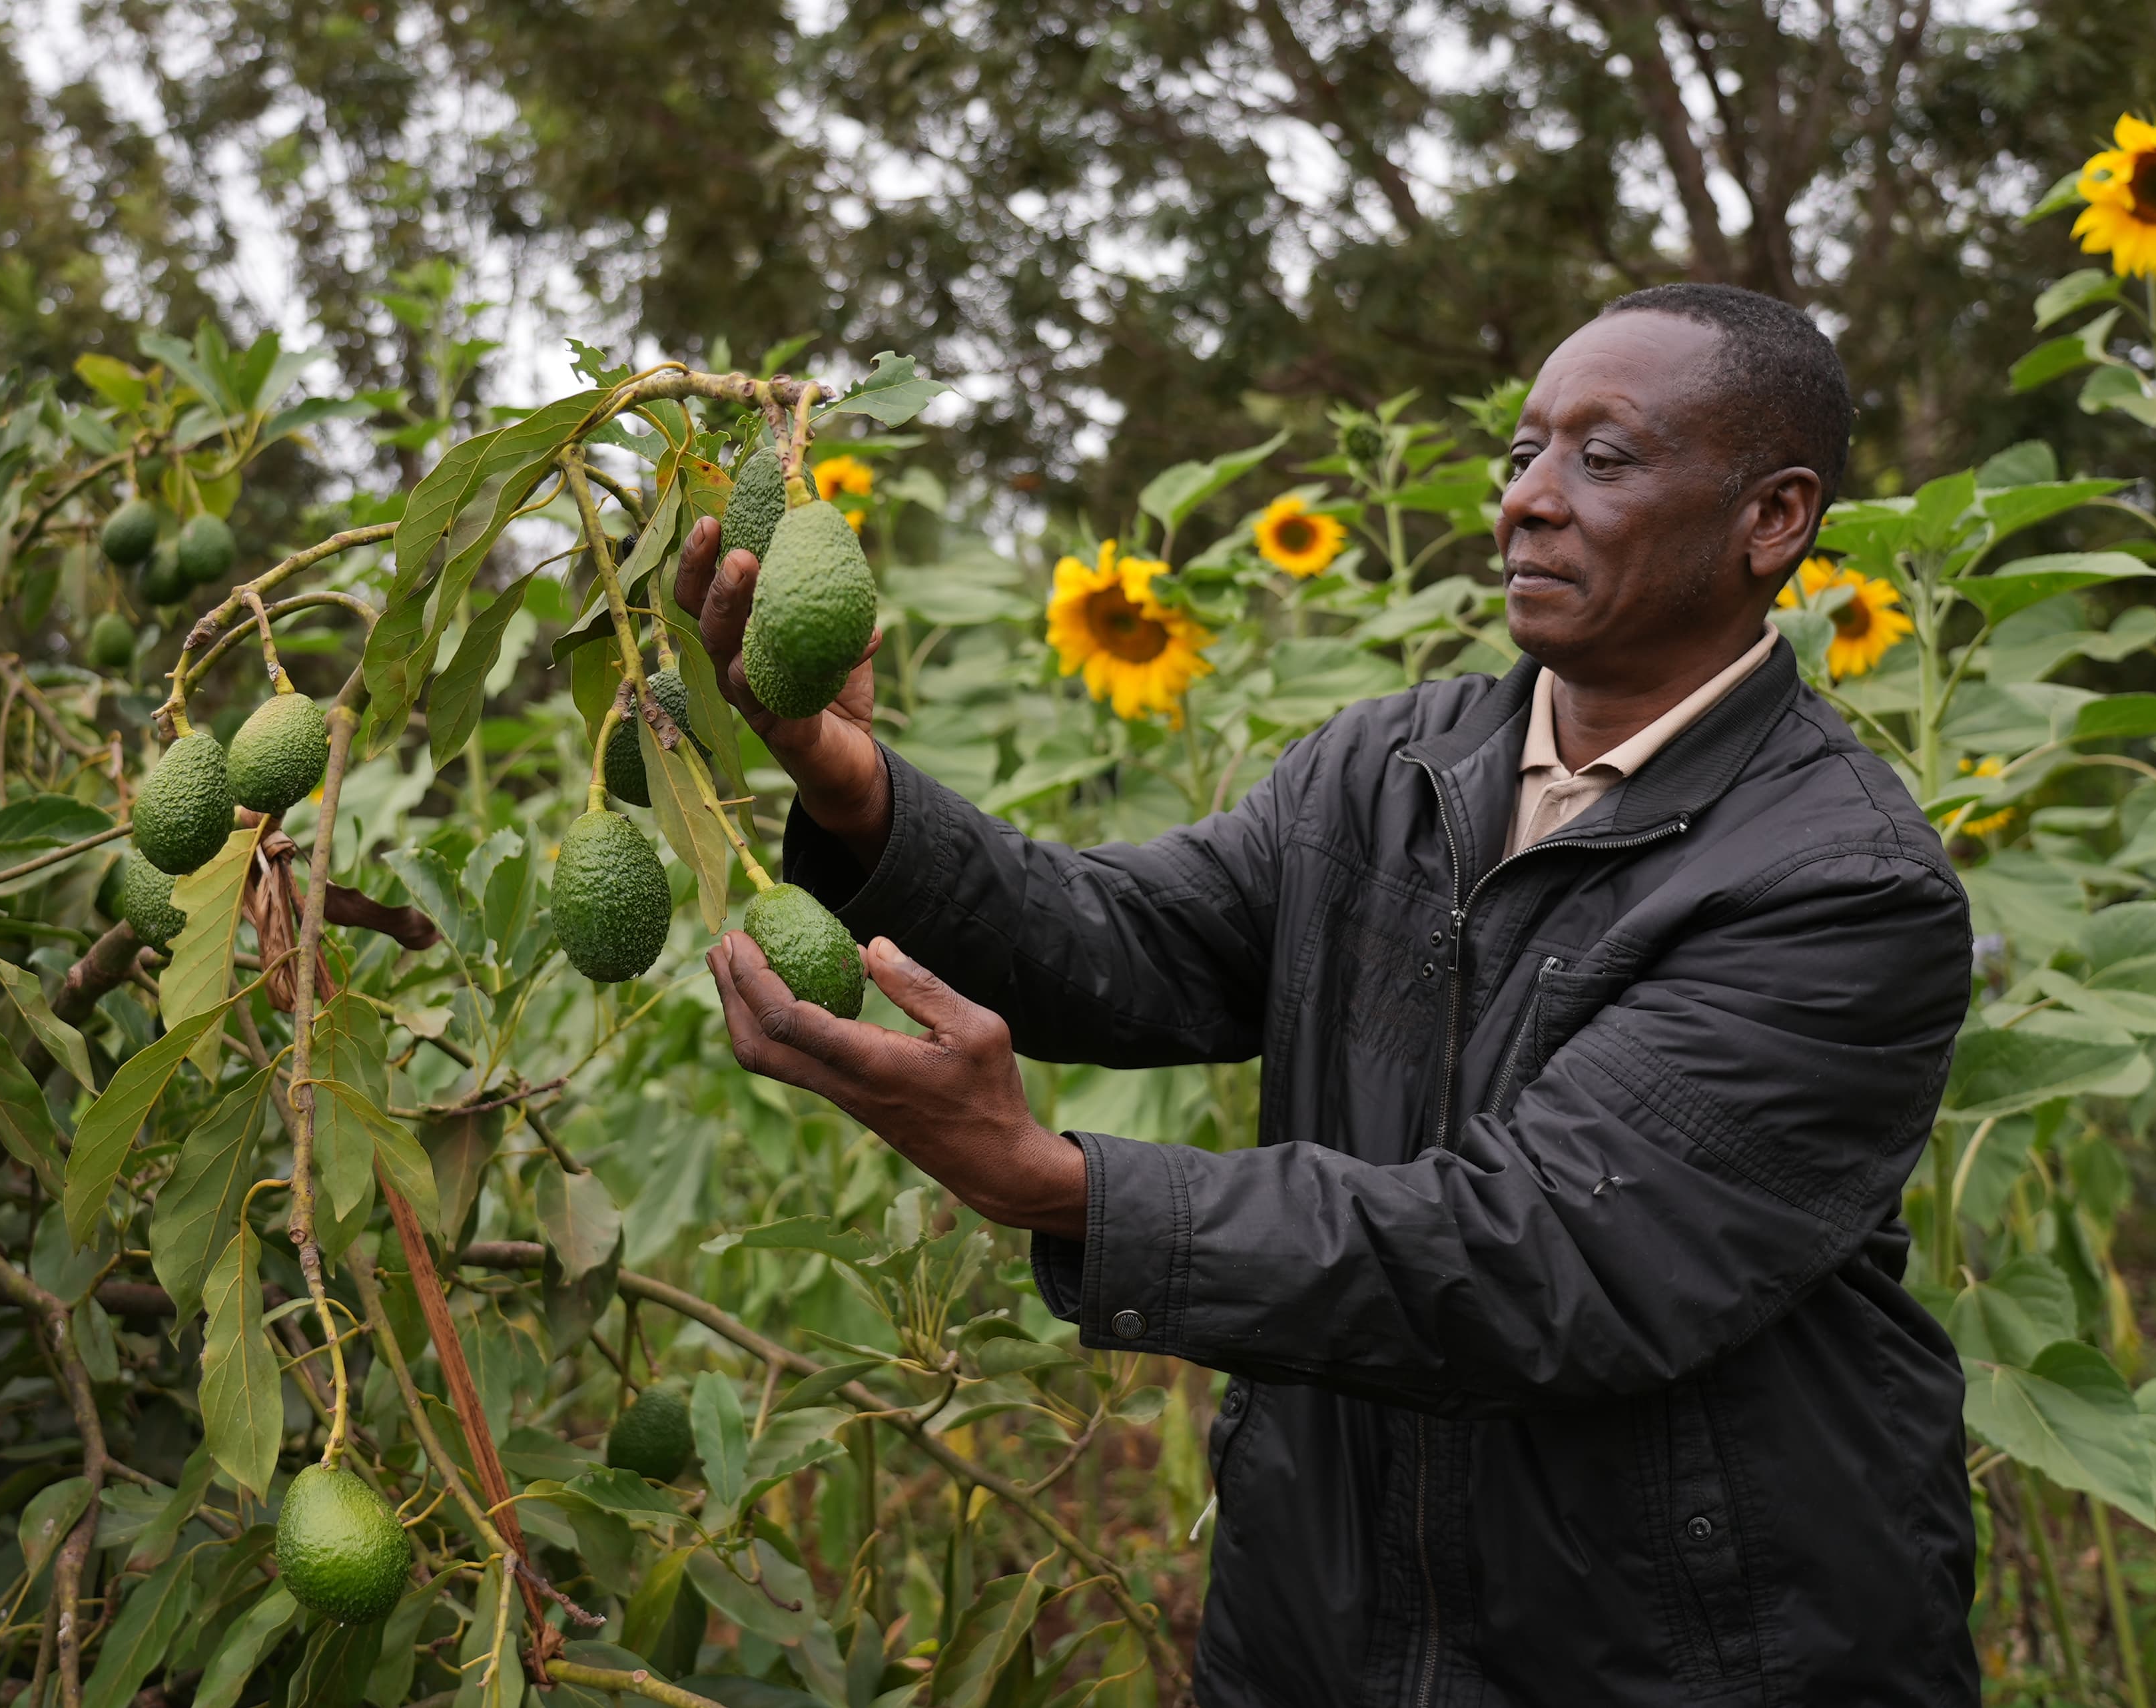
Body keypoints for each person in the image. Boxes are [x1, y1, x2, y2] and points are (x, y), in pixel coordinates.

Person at [675, 283, 1975, 1707]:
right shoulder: (1388, 769)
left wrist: (1057, 1183)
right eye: (1523, 454)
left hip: (1684, 1653)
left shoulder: (1841, 883)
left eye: (1601, 459)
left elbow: (1538, 1256)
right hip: (1318, 1623)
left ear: (1772, 517)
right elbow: (1127, 941)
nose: (1528, 502)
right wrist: (847, 782)